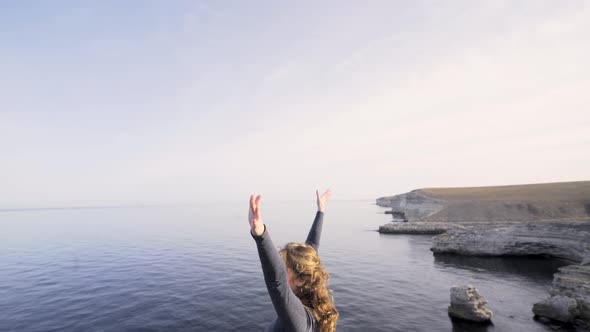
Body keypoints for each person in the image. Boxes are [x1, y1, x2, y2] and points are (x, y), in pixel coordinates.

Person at [248, 190, 339, 332]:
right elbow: (311, 248)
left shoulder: (300, 322)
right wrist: (320, 210)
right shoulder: (311, 310)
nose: (280, 269)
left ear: (300, 280)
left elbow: (277, 282)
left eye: (284, 268)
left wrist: (260, 234)